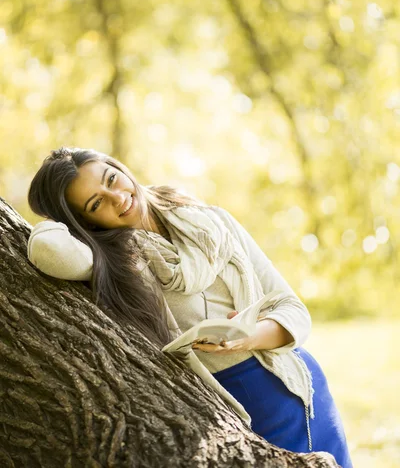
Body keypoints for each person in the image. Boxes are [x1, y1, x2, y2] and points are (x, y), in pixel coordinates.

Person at [27, 146, 353, 468]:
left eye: (112, 179)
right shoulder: (114, 266)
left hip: (300, 384)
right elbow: (46, 249)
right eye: (96, 203)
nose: (117, 198)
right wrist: (65, 225)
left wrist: (250, 335)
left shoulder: (212, 221)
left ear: (120, 167)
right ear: (86, 222)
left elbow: (292, 307)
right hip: (237, 408)